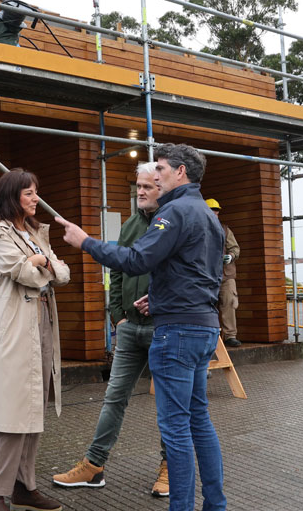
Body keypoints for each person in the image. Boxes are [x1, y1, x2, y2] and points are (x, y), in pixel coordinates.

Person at [57, 143, 226, 511]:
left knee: (177, 429)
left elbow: (136, 260)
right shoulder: (207, 214)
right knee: (199, 420)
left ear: (180, 173)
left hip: (177, 334)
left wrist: (84, 241)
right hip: (202, 327)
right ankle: (215, 505)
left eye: (161, 169)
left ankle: (180, 506)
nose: (156, 176)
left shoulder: (175, 211)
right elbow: (204, 275)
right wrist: (162, 298)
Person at [52, 162, 170, 497]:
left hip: (164, 328)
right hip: (131, 328)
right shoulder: (133, 224)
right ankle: (94, 466)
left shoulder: (172, 223)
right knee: (113, 398)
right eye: (138, 187)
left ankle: (170, 467)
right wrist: (117, 315)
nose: (141, 192)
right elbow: (118, 269)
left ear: (164, 186)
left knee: (169, 404)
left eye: (148, 187)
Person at [0, 169, 69, 511]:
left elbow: (62, 273)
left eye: (35, 192)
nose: (35, 199)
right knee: (13, 412)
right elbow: (25, 274)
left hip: (40, 323)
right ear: (13, 196)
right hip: (11, 329)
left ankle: (23, 486)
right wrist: (41, 263)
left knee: (34, 406)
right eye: (29, 193)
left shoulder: (34, 232)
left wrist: (41, 260)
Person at [206, 199, 241, 348]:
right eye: (212, 210)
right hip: (206, 276)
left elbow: (235, 248)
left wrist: (231, 256)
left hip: (226, 275)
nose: (215, 213)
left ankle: (230, 336)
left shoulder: (225, 230)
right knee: (206, 306)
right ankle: (209, 336)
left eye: (217, 211)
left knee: (229, 303)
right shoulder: (198, 228)